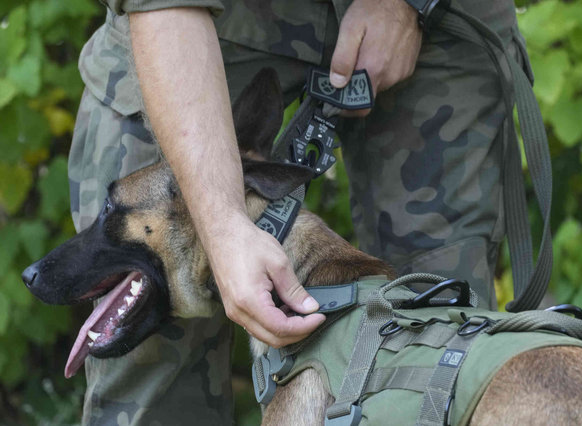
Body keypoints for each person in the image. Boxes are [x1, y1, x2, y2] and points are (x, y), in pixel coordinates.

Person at [68, 0, 532, 423]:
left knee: (448, 348)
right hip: (217, 20)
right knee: (147, 351)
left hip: (441, 22)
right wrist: (222, 226)